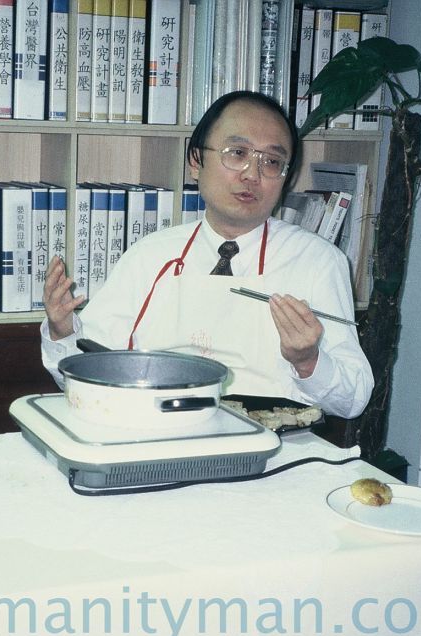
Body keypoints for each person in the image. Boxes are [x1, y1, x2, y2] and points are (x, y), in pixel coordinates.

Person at [41, 90, 372, 419]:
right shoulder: (149, 257)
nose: (252, 174)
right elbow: (84, 376)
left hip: (274, 446)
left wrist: (308, 361)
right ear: (196, 161)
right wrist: (63, 331)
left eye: (271, 162)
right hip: (161, 435)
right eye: (237, 153)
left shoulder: (318, 261)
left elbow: (353, 400)